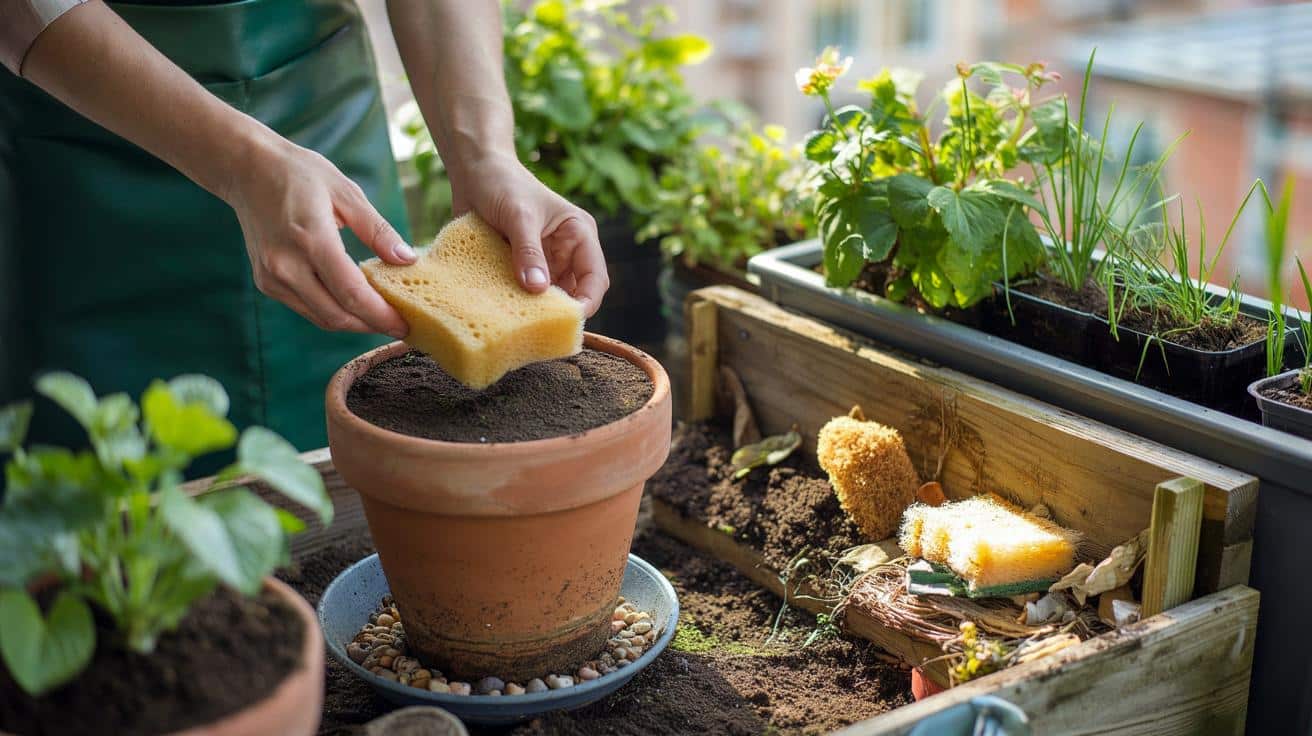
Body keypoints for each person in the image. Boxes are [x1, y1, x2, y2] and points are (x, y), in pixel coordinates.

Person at [0, 0, 608, 454]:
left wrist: (484, 154)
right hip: (86, 149)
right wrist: (240, 164)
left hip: (325, 119)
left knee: (374, 464)